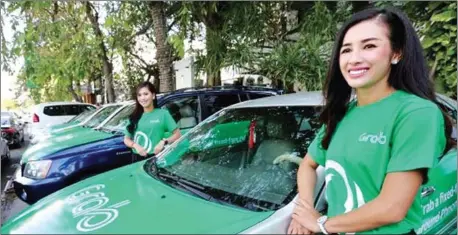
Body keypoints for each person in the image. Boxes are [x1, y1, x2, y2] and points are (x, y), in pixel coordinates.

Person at [288, 7, 455, 235]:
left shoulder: (416, 113)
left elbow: (392, 208)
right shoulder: (343, 112)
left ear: (396, 53)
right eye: (346, 50)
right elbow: (308, 164)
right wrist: (304, 210)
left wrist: (320, 224)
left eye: (369, 46)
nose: (354, 59)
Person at [124, 82, 181, 161]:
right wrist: (136, 146)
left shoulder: (163, 114)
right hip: (137, 157)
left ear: (153, 96)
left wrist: (163, 142)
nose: (142, 98)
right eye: (139, 95)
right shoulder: (134, 116)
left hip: (156, 157)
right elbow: (126, 139)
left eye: (146, 94)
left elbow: (177, 134)